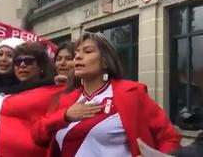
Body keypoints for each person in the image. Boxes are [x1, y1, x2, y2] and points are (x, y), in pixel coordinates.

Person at [31, 32, 180, 157]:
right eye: (76, 53)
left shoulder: (132, 94)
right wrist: (65, 116)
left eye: (87, 51)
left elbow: (169, 138)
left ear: (105, 62)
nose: (78, 57)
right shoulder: (65, 99)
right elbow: (37, 135)